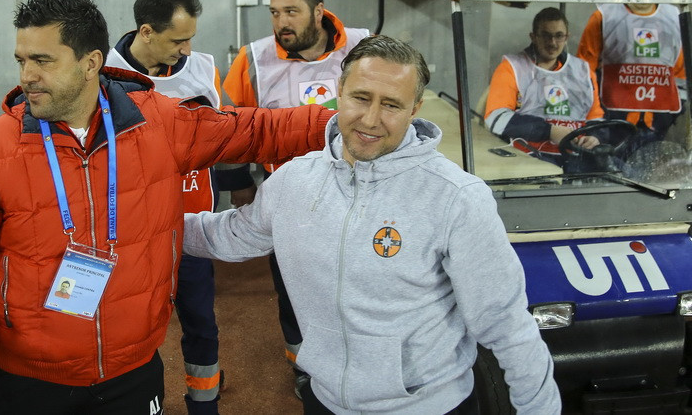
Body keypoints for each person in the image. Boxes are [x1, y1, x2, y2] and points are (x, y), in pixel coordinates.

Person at [0, 0, 334, 415]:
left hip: (132, 372)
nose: (27, 76)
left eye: (43, 60)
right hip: (30, 380)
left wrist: (337, 125)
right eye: (22, 60)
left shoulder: (158, 123)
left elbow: (253, 130)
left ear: (90, 63)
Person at [184, 35, 561, 414]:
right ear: (339, 92)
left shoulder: (456, 197)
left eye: (391, 105)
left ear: (415, 108)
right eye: (361, 98)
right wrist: (154, 228)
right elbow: (229, 235)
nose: (370, 119)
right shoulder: (294, 181)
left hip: (429, 406)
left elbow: (506, 324)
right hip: (325, 400)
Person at [220, 0, 369, 396]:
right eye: (274, 13)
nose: (281, 22)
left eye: (291, 11)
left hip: (358, 187)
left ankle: (360, 357)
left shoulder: (365, 46)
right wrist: (238, 183)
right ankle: (305, 366)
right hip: (289, 192)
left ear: (319, 12)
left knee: (357, 277)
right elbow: (230, 126)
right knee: (294, 283)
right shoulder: (253, 59)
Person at [103, 0, 227, 414]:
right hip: (133, 237)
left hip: (192, 229)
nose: (187, 49)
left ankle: (205, 405)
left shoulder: (204, 68)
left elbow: (226, 132)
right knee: (133, 330)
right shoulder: (103, 75)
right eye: (178, 40)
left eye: (191, 38)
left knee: (202, 325)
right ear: (147, 31)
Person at [576, 0, 686, 152]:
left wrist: (671, 115)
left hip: (656, 125)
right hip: (610, 124)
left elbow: (681, 75)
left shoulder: (676, 18)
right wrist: (596, 121)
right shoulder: (605, 16)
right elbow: (584, 72)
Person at [484, 7, 605, 166]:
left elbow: (596, 118)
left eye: (559, 36)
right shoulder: (512, 68)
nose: (552, 43)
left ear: (567, 37)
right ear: (533, 37)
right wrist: (549, 131)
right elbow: (496, 118)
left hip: (577, 159)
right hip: (527, 160)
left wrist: (595, 137)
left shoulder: (582, 71)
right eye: (546, 35)